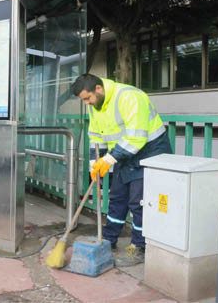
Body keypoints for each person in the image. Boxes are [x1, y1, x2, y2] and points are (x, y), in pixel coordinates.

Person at [71, 74, 172, 266]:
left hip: (149, 151)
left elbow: (136, 137)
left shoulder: (130, 96)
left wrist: (108, 160)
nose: (86, 103)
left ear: (99, 89)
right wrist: (95, 164)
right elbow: (96, 136)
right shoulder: (96, 106)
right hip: (123, 152)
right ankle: (109, 239)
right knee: (117, 196)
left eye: (87, 98)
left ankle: (139, 246)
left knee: (139, 202)